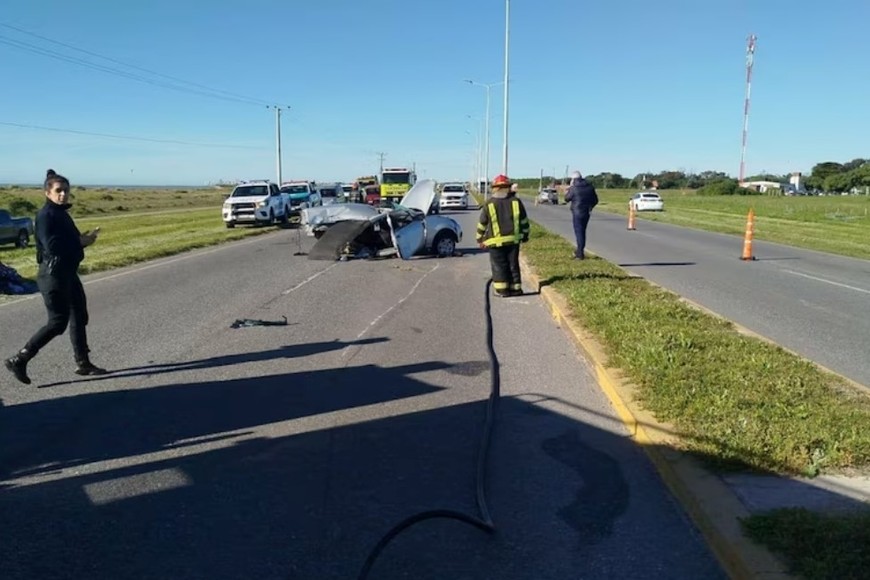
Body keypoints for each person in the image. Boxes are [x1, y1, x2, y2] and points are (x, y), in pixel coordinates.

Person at [4, 169, 107, 385]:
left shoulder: (61, 213)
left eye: (66, 191)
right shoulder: (45, 216)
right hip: (53, 276)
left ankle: (83, 362)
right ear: (47, 193)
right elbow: (52, 248)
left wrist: (84, 238)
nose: (63, 194)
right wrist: (80, 242)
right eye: (58, 191)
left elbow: (69, 240)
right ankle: (20, 358)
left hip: (68, 273)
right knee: (58, 322)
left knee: (79, 315)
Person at [476, 174, 530, 297]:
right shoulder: (516, 202)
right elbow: (524, 222)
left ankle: (502, 290)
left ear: (494, 188)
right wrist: (525, 235)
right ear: (508, 187)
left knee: (499, 265)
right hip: (513, 241)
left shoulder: (489, 204)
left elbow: (482, 224)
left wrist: (479, 239)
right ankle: (516, 289)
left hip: (495, 242)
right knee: (513, 264)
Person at [563, 170, 598, 259]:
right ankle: (579, 251)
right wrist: (590, 207)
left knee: (579, 232)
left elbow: (566, 199)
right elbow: (595, 200)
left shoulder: (574, 187)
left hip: (577, 212)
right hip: (586, 212)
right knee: (582, 232)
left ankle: (580, 254)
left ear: (573, 179)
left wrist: (567, 191)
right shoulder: (590, 187)